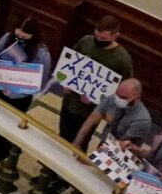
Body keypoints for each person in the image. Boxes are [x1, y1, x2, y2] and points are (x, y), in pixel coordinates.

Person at [0, 19, 52, 164]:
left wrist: (16, 94)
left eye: (25, 37)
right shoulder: (8, 38)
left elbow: (39, 84)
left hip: (18, 96)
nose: (20, 39)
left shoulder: (42, 54)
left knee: (7, 125)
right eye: (19, 34)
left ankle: (0, 155)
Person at [53, 17, 133, 146]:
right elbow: (70, 63)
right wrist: (65, 81)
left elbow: (123, 90)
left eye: (103, 39)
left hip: (91, 112)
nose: (98, 40)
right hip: (70, 102)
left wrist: (98, 99)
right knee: (63, 135)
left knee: (81, 142)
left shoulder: (122, 59)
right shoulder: (86, 41)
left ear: (116, 36)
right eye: (97, 36)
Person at [73, 77, 154, 153]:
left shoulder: (142, 120)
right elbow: (90, 121)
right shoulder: (112, 99)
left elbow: (121, 145)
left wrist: (96, 157)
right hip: (102, 147)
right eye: (117, 94)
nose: (118, 99)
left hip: (120, 156)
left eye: (123, 97)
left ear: (136, 97)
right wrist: (76, 144)